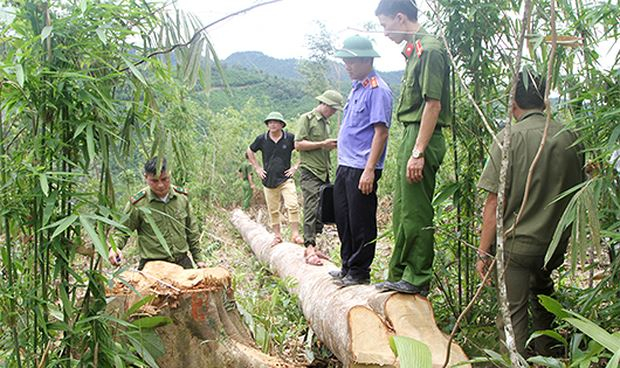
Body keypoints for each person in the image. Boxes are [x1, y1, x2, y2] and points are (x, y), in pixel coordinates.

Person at [476, 72, 585, 356]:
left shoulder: (509, 139)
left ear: (513, 102)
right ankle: (548, 355)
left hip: (518, 245)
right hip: (554, 245)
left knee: (513, 318)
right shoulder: (569, 137)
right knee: (543, 296)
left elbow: (492, 204)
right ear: (545, 100)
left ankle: (519, 362)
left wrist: (483, 251)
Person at [375, 0, 451, 295]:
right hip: (411, 133)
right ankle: (401, 273)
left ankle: (417, 277)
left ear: (400, 17)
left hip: (422, 136)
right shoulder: (415, 49)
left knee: (416, 211)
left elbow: (433, 104)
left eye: (384, 25)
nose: (384, 32)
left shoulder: (429, 49)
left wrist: (418, 152)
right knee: (403, 210)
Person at [329, 35, 393, 286]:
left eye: (352, 61)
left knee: (361, 220)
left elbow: (381, 132)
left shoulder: (378, 90)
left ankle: (360, 271)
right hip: (346, 164)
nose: (347, 65)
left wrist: (369, 170)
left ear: (367, 60)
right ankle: (347, 265)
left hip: (362, 167)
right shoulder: (357, 87)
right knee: (343, 218)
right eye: (345, 60)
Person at [109, 157, 206, 270]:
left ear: (169, 174)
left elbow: (192, 231)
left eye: (165, 179)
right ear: (146, 177)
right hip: (153, 267)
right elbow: (122, 231)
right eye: (154, 181)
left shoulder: (181, 198)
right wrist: (114, 247)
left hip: (182, 263)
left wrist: (199, 259)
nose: (160, 185)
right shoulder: (138, 203)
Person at [295, 89, 345, 266]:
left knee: (321, 209)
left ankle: (313, 246)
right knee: (310, 208)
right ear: (324, 104)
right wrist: (322, 144)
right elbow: (298, 144)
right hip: (310, 171)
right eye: (332, 109)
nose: (332, 113)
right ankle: (309, 248)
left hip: (324, 171)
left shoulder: (326, 123)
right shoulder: (306, 119)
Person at [247, 111, 302, 246]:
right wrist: (257, 168)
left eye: (275, 122)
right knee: (273, 210)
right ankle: (277, 236)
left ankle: (295, 234)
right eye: (270, 122)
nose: (272, 124)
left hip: (285, 178)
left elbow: (303, 149)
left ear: (281, 124)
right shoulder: (262, 139)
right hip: (269, 180)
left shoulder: (289, 138)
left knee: (293, 205)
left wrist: (295, 166)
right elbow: (250, 151)